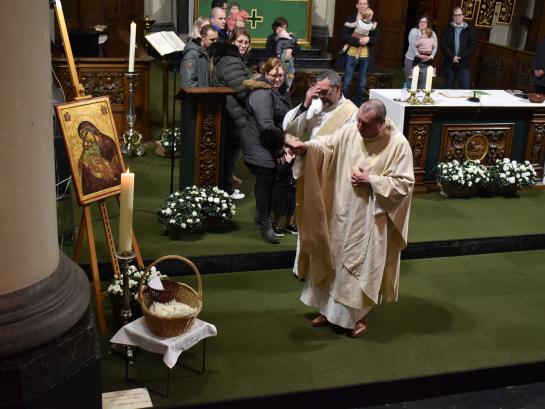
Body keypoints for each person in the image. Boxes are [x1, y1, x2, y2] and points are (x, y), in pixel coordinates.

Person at [287, 99, 414, 337]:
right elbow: (328, 145)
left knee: (360, 266)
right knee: (332, 258)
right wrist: (306, 148)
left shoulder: (398, 144)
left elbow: (404, 184)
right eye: (358, 121)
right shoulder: (352, 130)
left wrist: (372, 181)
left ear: (381, 122)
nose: (359, 128)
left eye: (365, 124)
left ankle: (358, 317)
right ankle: (327, 310)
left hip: (370, 219)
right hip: (340, 209)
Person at [283, 69, 358, 277]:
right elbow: (290, 130)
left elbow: (351, 148)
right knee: (306, 217)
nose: (322, 97)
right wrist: (306, 102)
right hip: (309, 167)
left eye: (325, 92)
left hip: (332, 175)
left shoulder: (351, 113)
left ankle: (324, 267)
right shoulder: (315, 104)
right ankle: (303, 266)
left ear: (338, 88)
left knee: (325, 220)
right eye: (319, 92)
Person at [241, 58, 292, 244]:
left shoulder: (277, 90)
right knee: (266, 179)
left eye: (281, 75)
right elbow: (267, 126)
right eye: (274, 75)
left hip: (265, 143)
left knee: (266, 181)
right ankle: (265, 225)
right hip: (259, 145)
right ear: (266, 73)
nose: (278, 78)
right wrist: (279, 150)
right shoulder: (263, 93)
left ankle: (259, 214)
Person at [209, 27, 253, 200]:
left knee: (229, 154)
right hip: (232, 115)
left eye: (246, 42)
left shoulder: (231, 59)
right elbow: (242, 90)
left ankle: (226, 186)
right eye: (240, 42)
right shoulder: (230, 60)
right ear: (232, 43)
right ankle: (226, 189)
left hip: (230, 114)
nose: (243, 45)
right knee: (230, 154)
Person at [341, 0, 380, 107]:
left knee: (362, 84)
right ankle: (343, 106)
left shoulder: (373, 20)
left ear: (368, 5)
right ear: (357, 5)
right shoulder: (351, 18)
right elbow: (343, 36)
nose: (363, 5)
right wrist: (358, 41)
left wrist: (368, 39)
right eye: (361, 3)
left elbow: (376, 38)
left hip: (365, 55)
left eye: (365, 4)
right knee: (347, 82)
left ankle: (358, 107)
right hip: (351, 53)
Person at [77, 121, 122, 196]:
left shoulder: (108, 142)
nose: (86, 138)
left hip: (110, 169)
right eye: (83, 137)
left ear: (92, 130)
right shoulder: (91, 146)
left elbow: (115, 162)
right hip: (98, 170)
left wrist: (107, 170)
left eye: (86, 134)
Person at [440, 7, 476, 89]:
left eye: (459, 15)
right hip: (450, 63)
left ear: (463, 16)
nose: (457, 17)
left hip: (463, 64)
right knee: (447, 89)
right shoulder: (447, 28)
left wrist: (461, 57)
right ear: (453, 17)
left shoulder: (470, 29)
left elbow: (472, 45)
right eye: (455, 15)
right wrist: (452, 57)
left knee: (465, 89)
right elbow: (443, 44)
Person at [404, 16, 438, 89]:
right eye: (420, 21)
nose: (422, 23)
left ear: (428, 24)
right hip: (411, 60)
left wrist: (431, 56)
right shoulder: (414, 31)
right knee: (410, 84)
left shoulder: (432, 33)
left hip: (425, 62)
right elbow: (412, 44)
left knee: (424, 85)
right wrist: (417, 54)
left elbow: (435, 47)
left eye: (424, 22)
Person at [271, 149, 297, 236]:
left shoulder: (296, 157)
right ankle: (276, 225)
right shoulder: (280, 157)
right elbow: (280, 171)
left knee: (291, 208)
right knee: (280, 208)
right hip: (282, 187)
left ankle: (288, 224)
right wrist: (287, 161)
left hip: (292, 186)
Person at [274, 23, 298, 90]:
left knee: (291, 67)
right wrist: (278, 55)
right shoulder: (280, 41)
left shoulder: (290, 39)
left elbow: (295, 40)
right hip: (283, 54)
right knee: (285, 68)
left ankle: (289, 74)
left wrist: (292, 35)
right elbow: (278, 48)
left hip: (290, 55)